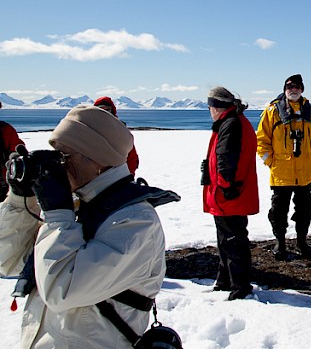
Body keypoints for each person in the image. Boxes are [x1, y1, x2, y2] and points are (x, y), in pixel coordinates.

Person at [0, 106, 180, 348]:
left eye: (64, 156)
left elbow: (60, 289)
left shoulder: (136, 223)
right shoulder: (79, 206)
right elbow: (8, 259)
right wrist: (21, 199)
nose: (58, 166)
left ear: (96, 160)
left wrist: (57, 214)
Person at [257, 74, 311, 260]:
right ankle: (280, 242)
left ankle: (301, 242)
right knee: (278, 211)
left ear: (302, 89)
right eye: (289, 86)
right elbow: (261, 140)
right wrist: (271, 161)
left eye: (296, 86)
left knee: (304, 211)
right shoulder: (272, 112)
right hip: (281, 174)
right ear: (284, 89)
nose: (293, 89)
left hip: (307, 175)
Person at [202, 87, 259, 300]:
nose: (209, 111)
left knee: (232, 240)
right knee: (227, 239)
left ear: (217, 107)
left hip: (229, 194)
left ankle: (240, 287)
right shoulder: (234, 121)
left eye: (210, 106)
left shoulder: (231, 124)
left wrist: (225, 186)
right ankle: (225, 281)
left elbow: (226, 158)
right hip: (231, 192)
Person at [93, 96, 140, 175]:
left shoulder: (121, 130)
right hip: (94, 177)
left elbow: (131, 155)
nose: (104, 112)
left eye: (107, 109)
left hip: (118, 176)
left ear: (112, 110)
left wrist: (130, 175)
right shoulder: (89, 128)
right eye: (101, 109)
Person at [1, 100, 26, 200]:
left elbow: (17, 147)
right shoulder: (6, 129)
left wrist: (17, 156)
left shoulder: (6, 130)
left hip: (4, 184)